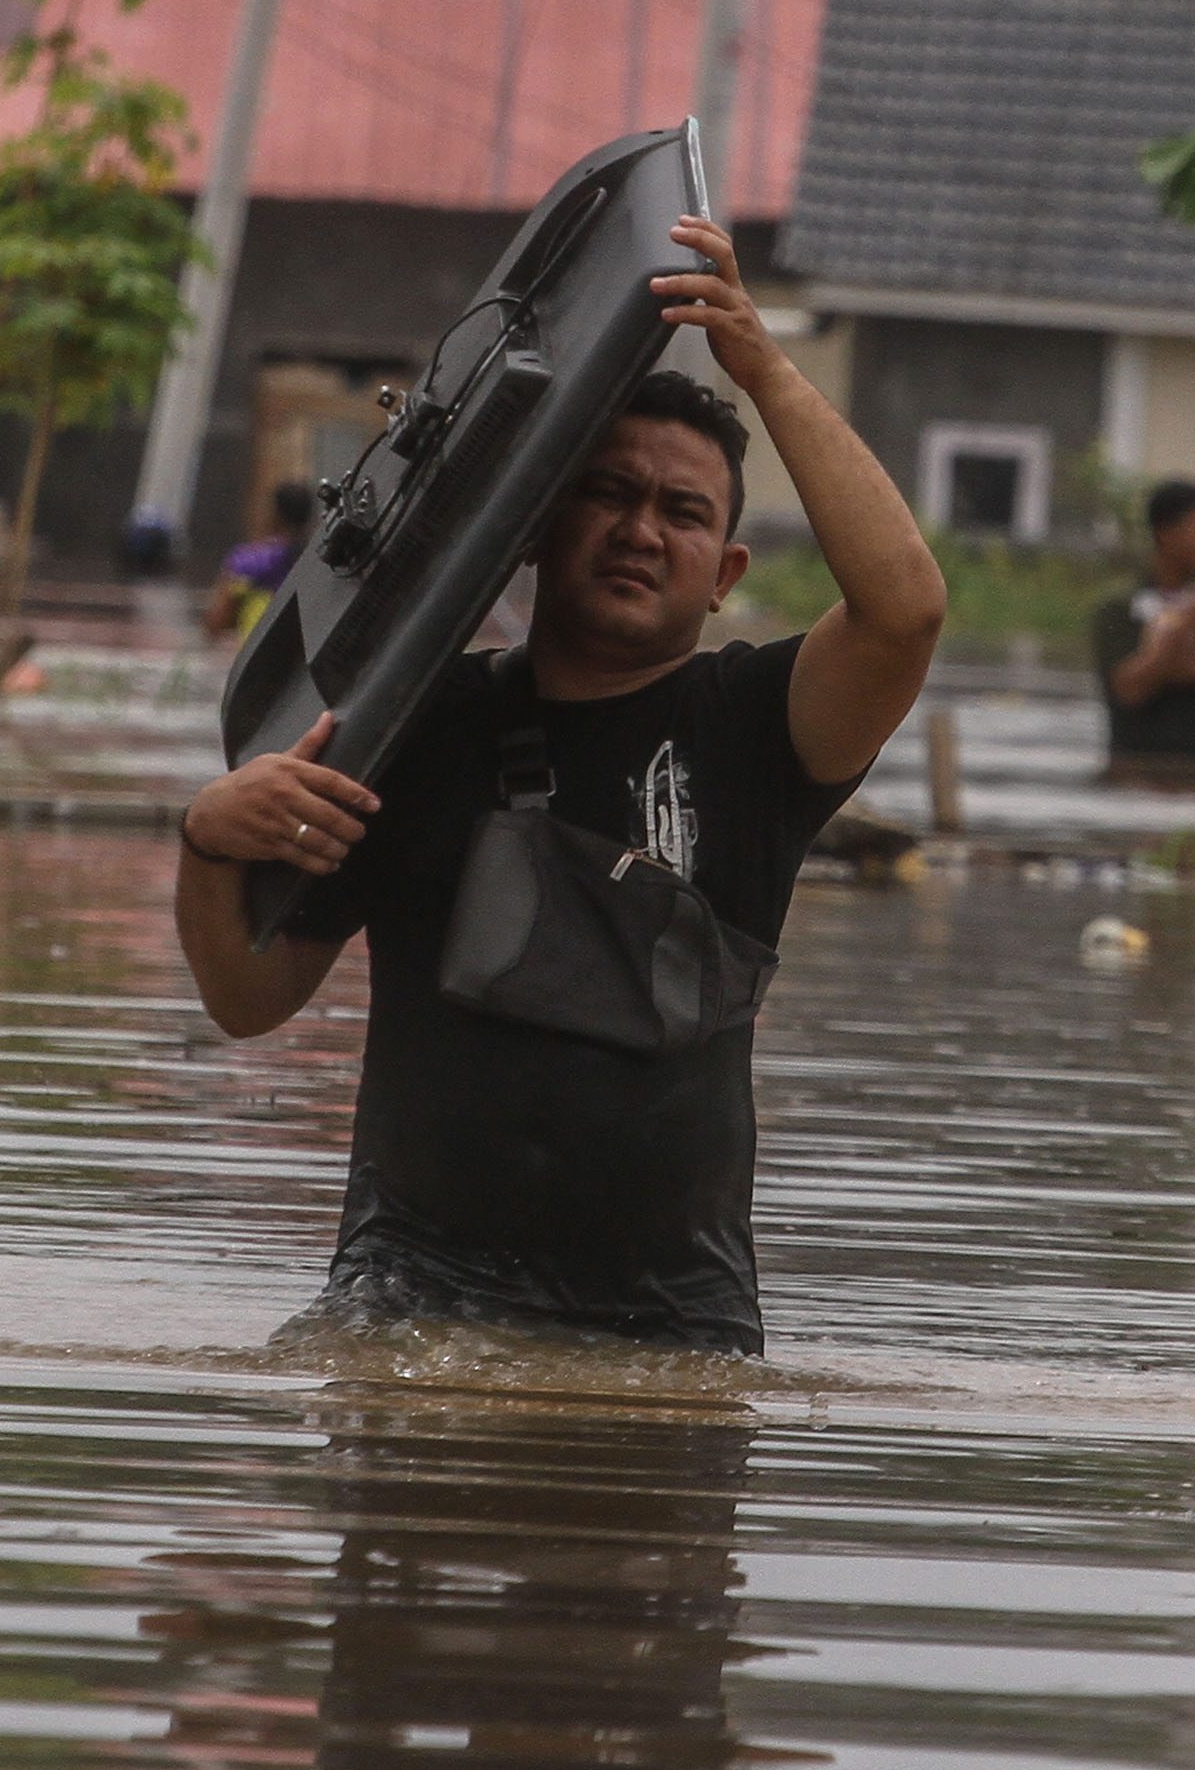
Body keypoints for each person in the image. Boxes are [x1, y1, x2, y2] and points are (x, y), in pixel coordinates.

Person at [170, 218, 944, 1355]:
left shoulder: (758, 730)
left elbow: (906, 609)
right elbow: (247, 998)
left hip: (672, 1331)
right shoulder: (408, 727)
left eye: (682, 514)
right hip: (405, 1308)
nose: (640, 530)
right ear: (532, 525)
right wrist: (204, 843)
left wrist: (764, 367)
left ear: (725, 573)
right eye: (608, 494)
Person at [1088, 478, 1195, 783]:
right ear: (1167, 534)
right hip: (1132, 771)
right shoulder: (1121, 607)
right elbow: (1127, 690)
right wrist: (1185, 631)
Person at [207, 479, 319, 639]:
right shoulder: (318, 559)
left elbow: (216, 622)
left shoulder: (250, 561)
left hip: (260, 657)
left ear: (274, 514)